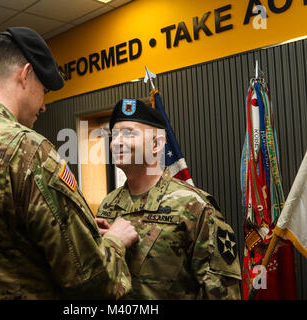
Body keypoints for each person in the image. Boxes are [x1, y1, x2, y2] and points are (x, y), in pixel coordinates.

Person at [0, 27, 138, 300]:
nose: (44, 106)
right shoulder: (28, 151)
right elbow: (93, 284)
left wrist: (69, 222)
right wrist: (115, 240)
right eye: (44, 89)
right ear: (25, 75)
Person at [96, 98, 242, 299]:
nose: (117, 142)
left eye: (129, 134)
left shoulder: (195, 206)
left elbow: (222, 293)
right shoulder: (107, 205)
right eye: (114, 135)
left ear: (157, 144)